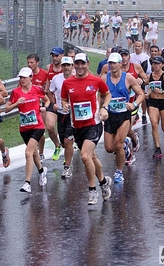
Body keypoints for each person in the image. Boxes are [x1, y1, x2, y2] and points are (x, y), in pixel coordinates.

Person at [61, 53, 112, 205]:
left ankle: (92, 190)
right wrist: (64, 104)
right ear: (73, 65)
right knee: (92, 158)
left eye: (83, 63)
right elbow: (64, 98)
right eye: (77, 63)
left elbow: (107, 94)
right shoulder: (68, 83)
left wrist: (104, 107)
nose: (80, 66)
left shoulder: (95, 81)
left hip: (93, 125)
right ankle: (103, 182)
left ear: (88, 64)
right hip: (77, 126)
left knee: (84, 156)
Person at [4, 67, 49, 193]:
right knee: (33, 153)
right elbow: (6, 109)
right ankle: (41, 171)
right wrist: (16, 103)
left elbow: (47, 100)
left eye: (24, 77)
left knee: (28, 152)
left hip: (38, 126)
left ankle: (27, 183)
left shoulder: (37, 89)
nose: (22, 79)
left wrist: (44, 107)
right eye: (20, 77)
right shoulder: (16, 92)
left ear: (31, 78)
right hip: (24, 128)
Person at [101, 53, 144, 182]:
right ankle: (127, 142)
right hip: (110, 115)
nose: (112, 65)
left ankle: (119, 172)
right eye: (110, 63)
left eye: (115, 63)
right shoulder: (104, 78)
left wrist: (134, 104)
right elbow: (99, 95)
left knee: (118, 144)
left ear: (120, 63)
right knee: (109, 148)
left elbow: (141, 94)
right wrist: (100, 109)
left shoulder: (128, 78)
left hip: (124, 115)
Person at [48, 57, 75, 178]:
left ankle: (67, 167)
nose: (66, 67)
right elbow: (50, 91)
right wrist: (53, 103)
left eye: (68, 65)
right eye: (64, 65)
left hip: (73, 114)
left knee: (67, 141)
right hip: (60, 112)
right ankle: (68, 153)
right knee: (64, 143)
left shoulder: (77, 78)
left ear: (72, 66)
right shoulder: (56, 78)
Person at [146, 56, 164, 158]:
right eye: (154, 63)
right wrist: (146, 91)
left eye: (158, 64)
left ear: (162, 65)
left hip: (163, 102)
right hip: (152, 102)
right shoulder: (150, 76)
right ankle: (158, 148)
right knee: (154, 124)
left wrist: (162, 91)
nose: (155, 66)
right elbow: (147, 84)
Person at [26, 54, 48, 162]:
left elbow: (47, 91)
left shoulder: (44, 74)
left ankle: (41, 152)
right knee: (30, 132)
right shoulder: (25, 74)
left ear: (37, 63)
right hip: (28, 108)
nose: (30, 65)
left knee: (40, 132)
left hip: (40, 106)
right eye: (28, 63)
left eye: (32, 62)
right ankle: (33, 151)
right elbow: (19, 88)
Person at [45, 47, 65, 161]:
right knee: (50, 126)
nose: (54, 58)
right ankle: (57, 146)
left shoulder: (68, 68)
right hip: (53, 101)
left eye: (57, 56)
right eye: (53, 56)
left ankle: (68, 149)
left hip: (66, 103)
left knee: (67, 132)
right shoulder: (49, 67)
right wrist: (51, 102)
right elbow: (48, 86)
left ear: (62, 55)